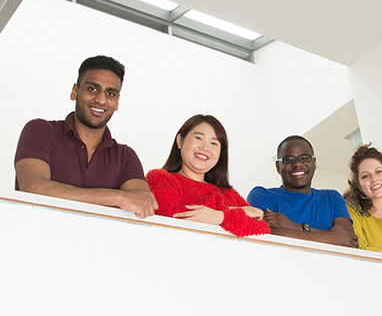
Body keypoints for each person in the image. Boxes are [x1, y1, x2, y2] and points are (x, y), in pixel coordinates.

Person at [14, 55, 157, 218]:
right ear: (75, 91)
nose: (101, 100)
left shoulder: (125, 157)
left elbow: (142, 204)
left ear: (117, 103)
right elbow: (33, 188)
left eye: (110, 93)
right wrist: (118, 198)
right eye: (93, 89)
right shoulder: (41, 130)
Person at [146, 114, 270, 237]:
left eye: (214, 144)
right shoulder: (159, 178)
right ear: (180, 141)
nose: (205, 148)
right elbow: (174, 216)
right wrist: (233, 213)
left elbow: (262, 230)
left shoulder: (229, 194)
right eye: (199, 138)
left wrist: (219, 216)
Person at [247, 135, 358, 248]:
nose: (298, 164)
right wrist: (333, 237)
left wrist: (293, 226)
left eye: (305, 157)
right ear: (278, 166)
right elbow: (260, 235)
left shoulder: (332, 198)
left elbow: (349, 241)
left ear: (314, 163)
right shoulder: (263, 195)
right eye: (289, 159)